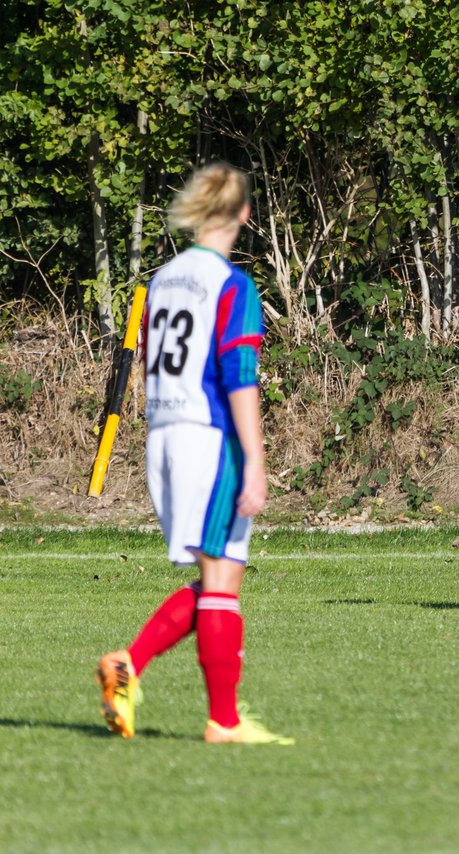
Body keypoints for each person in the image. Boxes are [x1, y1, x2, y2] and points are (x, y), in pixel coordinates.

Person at [95, 163, 292, 745]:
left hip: (164, 434)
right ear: (244, 215)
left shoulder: (164, 279)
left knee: (215, 580)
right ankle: (223, 721)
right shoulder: (232, 284)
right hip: (210, 438)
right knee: (224, 581)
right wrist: (255, 460)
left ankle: (126, 665)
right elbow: (238, 376)